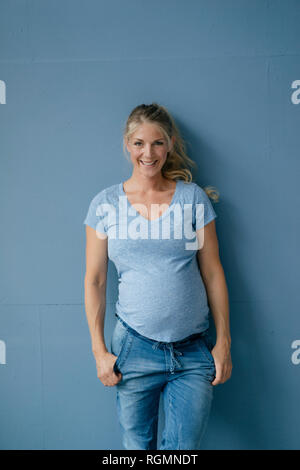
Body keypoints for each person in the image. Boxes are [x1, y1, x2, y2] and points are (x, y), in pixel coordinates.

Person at [83, 102, 232, 450]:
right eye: (139, 143)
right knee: (137, 447)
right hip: (133, 348)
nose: (148, 153)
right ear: (127, 144)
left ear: (170, 144)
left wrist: (223, 343)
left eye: (157, 143)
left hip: (193, 352)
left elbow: (213, 273)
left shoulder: (192, 200)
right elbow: (95, 281)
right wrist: (99, 352)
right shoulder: (105, 205)